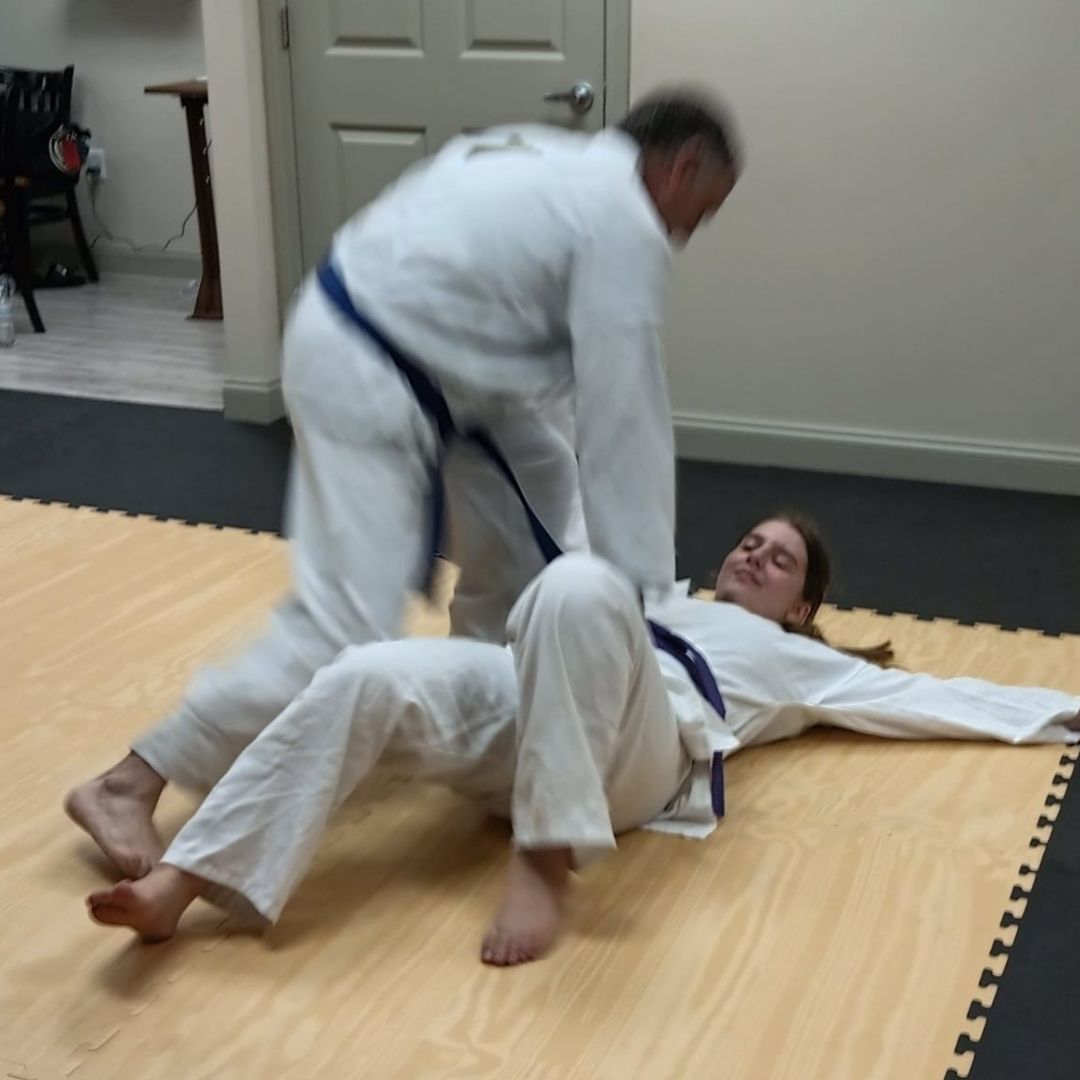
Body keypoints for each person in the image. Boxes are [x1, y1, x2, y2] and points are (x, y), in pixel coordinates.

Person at [82, 516, 1080, 965]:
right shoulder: (662, 596)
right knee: (368, 671)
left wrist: (1060, 709)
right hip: (532, 707)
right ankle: (184, 884)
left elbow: (930, 697)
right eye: (750, 542)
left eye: (779, 560)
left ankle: (546, 855)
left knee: (578, 580)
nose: (754, 555)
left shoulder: (800, 659)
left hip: (633, 763)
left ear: (802, 605)